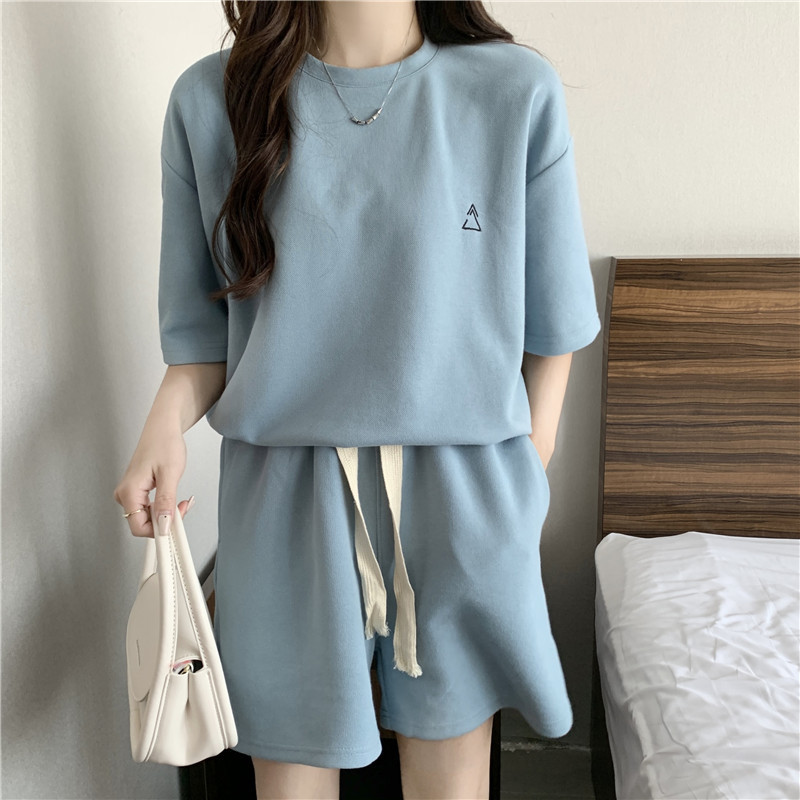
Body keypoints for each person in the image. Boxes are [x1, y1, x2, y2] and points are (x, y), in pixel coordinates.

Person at [113, 1, 602, 797]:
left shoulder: (513, 91)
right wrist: (162, 425)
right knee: (290, 780)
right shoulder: (211, 101)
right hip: (283, 501)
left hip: (464, 495)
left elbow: (555, 327)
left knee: (451, 785)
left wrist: (527, 479)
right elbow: (203, 340)